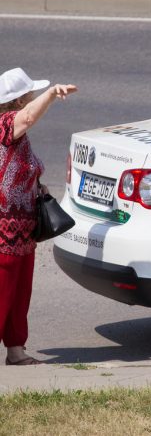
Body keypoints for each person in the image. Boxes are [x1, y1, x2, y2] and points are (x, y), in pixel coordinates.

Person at [0, 68, 77, 366]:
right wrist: (52, 94)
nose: (32, 97)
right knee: (4, 288)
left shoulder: (16, 131)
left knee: (19, 290)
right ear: (19, 101)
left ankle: (16, 350)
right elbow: (28, 117)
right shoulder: (6, 124)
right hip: (5, 226)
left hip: (23, 226)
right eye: (29, 95)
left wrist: (36, 184)